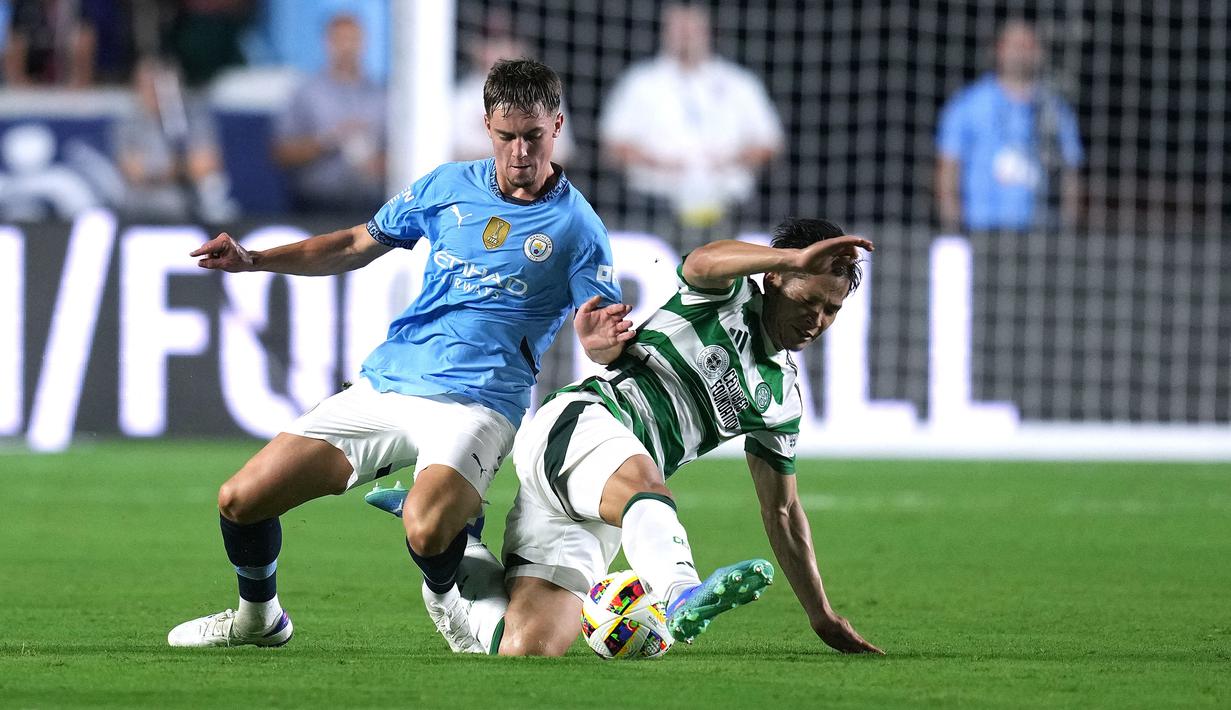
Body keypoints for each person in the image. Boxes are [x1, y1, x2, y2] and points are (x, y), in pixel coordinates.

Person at [167, 58, 635, 651]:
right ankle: (258, 620)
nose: (520, 152)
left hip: (481, 402)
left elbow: (596, 324)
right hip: (389, 384)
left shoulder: (578, 228)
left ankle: (445, 592)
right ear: (487, 126)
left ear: (557, 126)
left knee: (426, 524)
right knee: (241, 500)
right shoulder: (446, 186)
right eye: (506, 135)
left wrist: (598, 342)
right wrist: (255, 259)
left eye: (533, 137)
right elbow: (353, 244)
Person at [370, 219, 883, 656]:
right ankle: (681, 592)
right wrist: (793, 254)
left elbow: (784, 513)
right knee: (650, 487)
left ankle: (457, 546)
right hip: (584, 424)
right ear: (776, 276)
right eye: (810, 299)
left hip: (605, 496)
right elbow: (704, 260)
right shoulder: (725, 295)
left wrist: (820, 614)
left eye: (831, 310)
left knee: (526, 644)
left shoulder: (783, 400)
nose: (817, 319)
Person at [599, 3, 782, 231]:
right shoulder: (640, 82)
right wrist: (659, 162)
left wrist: (729, 160)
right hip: (654, 209)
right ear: (666, 31)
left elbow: (769, 143)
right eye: (679, 29)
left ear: (707, 31)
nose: (685, 36)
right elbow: (614, 144)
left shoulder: (740, 82)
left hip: (730, 209)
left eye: (691, 28)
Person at [935, 20, 1084, 234]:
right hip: (980, 231)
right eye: (1015, 44)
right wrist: (953, 229)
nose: (1021, 52)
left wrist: (1067, 230)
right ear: (999, 49)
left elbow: (1071, 173)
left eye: (1028, 45)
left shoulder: (1055, 109)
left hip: (1038, 235)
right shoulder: (969, 104)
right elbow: (947, 169)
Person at [272, 13, 386, 212]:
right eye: (340, 39)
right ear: (327, 43)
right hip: (315, 205)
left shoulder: (382, 96)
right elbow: (281, 153)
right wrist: (327, 141)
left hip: (371, 205)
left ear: (364, 43)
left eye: (353, 39)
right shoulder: (306, 93)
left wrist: (379, 164)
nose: (347, 47)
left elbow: (402, 151)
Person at [112, 55, 238, 222]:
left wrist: (158, 170)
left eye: (160, 86)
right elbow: (133, 171)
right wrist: (180, 168)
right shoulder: (128, 122)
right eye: (148, 86)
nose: (155, 93)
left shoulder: (193, 116)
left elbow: (207, 165)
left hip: (192, 203)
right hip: (141, 205)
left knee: (214, 189)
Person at [452, 19, 573, 164]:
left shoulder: (544, 91)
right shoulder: (460, 95)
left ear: (518, 46)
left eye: (502, 42)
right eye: (489, 42)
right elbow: (454, 153)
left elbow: (560, 154)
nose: (494, 50)